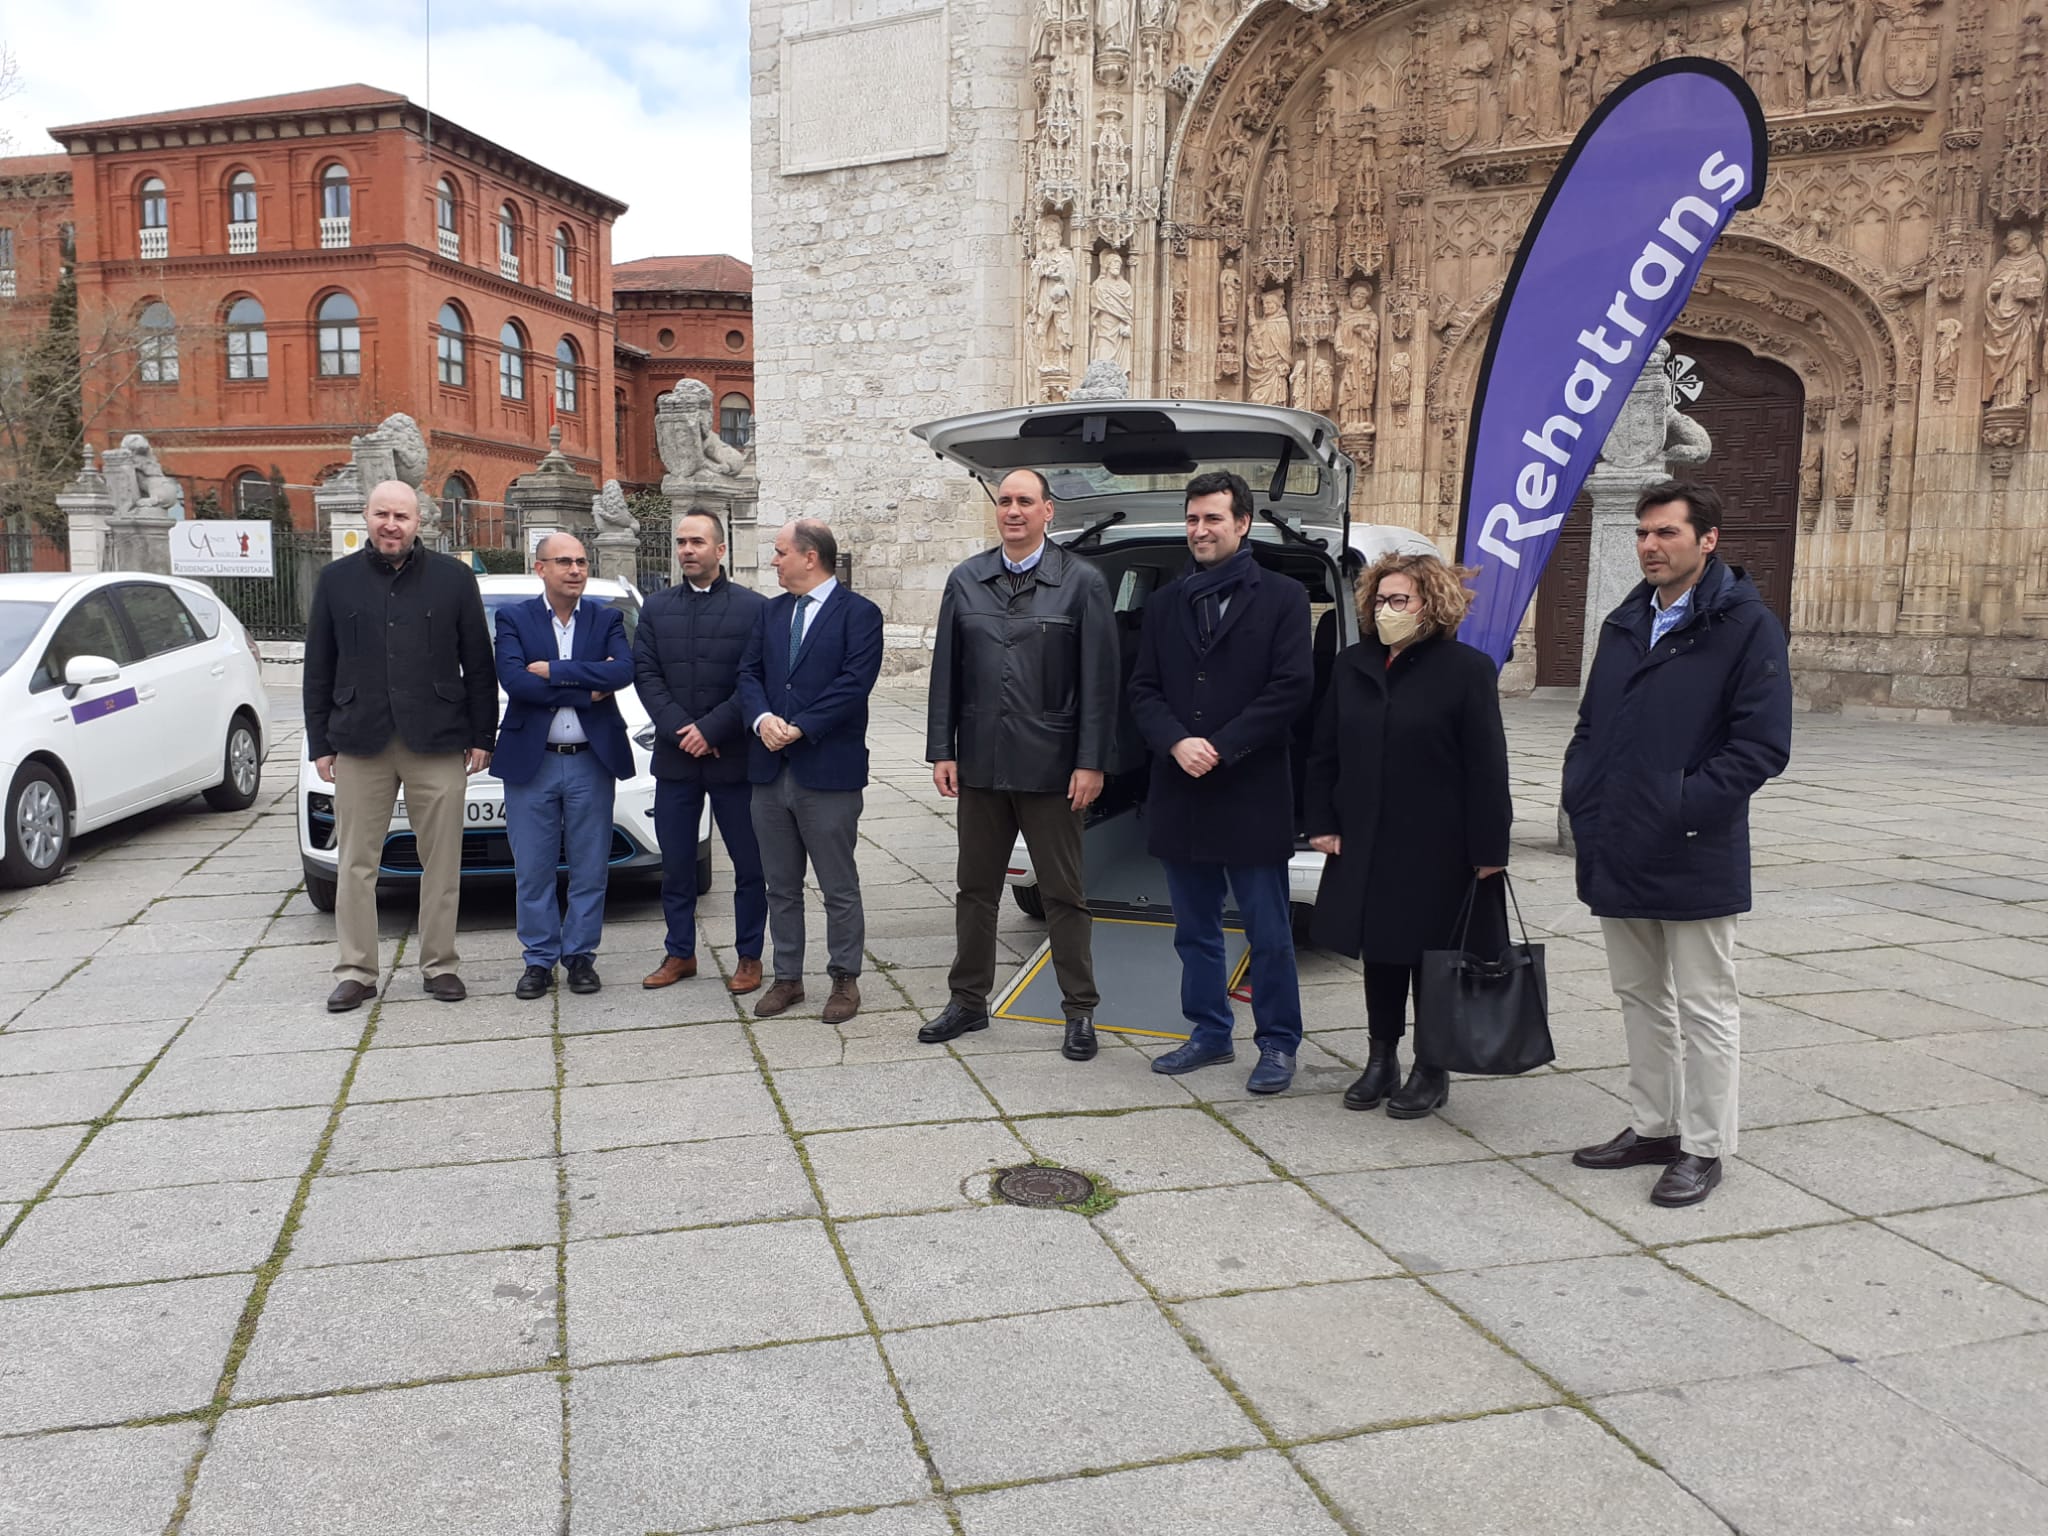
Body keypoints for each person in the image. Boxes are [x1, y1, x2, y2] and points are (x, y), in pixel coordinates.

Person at [1567, 481, 1792, 1208]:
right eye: (1643, 533)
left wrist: (1681, 803)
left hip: (1693, 844)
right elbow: (1593, 725)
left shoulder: (1746, 625)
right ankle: (1655, 1125)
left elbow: (1761, 746)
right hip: (1617, 839)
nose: (1649, 546)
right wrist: (1583, 791)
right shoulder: (1625, 621)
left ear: (1708, 540)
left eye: (1665, 533)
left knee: (1704, 1002)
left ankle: (1703, 1146)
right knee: (1639, 996)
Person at [1304, 552, 1511, 1118]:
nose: (1388, 610)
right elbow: (1324, 750)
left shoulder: (1466, 669)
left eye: (1401, 600)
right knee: (1382, 955)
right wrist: (1320, 820)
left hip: (1438, 843)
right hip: (1366, 838)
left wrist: (1490, 848)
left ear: (1431, 605)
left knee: (1433, 959)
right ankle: (1381, 1059)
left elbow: (1487, 765)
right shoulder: (1353, 665)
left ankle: (1431, 1065)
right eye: (1381, 599)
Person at [922, 469, 1118, 1061]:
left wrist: (1091, 762)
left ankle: (1079, 1011)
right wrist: (943, 749)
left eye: (1024, 502)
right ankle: (967, 1001)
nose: (1013, 510)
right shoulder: (966, 580)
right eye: (1005, 501)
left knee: (1064, 893)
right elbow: (945, 674)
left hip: (1053, 767)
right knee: (975, 889)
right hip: (980, 761)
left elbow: (1100, 683)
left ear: (1048, 512)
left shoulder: (1081, 582)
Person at [1127, 471, 1313, 1092]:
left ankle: (1278, 1043)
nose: (1200, 530)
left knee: (1269, 931)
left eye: (1212, 518)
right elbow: (1143, 689)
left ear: (1243, 524)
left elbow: (1291, 688)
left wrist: (1224, 746)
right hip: (1182, 789)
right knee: (1194, 929)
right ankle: (1208, 1033)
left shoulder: (1284, 597)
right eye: (1192, 519)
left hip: (1250, 791)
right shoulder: (1164, 603)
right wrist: (1177, 740)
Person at [304, 481, 496, 1012]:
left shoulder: (454, 579)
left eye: (402, 516)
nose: (392, 524)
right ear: (367, 518)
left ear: (419, 522)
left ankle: (440, 965)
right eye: (383, 514)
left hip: (437, 739)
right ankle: (356, 971)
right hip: (359, 742)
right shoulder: (336, 581)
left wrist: (484, 735)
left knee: (442, 862)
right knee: (356, 865)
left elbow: (479, 663)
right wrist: (319, 740)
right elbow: (318, 666)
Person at [736, 519, 884, 1024]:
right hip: (769, 769)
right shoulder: (771, 612)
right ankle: (789, 978)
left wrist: (799, 727)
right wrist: (761, 720)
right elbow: (748, 674)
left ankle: (845, 979)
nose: (774, 561)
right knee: (780, 884)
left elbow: (853, 684)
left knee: (837, 884)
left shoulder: (859, 615)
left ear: (809, 557)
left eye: (780, 553)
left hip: (828, 771)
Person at [633, 511, 769, 995]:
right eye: (682, 542)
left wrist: (711, 729)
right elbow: (646, 675)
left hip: (733, 758)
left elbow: (754, 680)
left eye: (697, 542)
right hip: (675, 758)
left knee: (750, 865)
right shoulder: (656, 608)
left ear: (720, 550)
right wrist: (678, 728)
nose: (687, 550)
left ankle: (749, 956)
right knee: (676, 862)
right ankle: (680, 952)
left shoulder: (755, 609)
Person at [493, 533, 634, 1000]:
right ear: (541, 568)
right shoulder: (514, 618)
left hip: (591, 762)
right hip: (533, 765)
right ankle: (537, 960)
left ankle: (579, 958)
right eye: (564, 562)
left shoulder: (606, 617)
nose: (575, 570)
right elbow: (515, 681)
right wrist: (585, 684)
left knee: (590, 868)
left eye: (581, 562)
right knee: (532, 870)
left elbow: (621, 672)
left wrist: (553, 671)